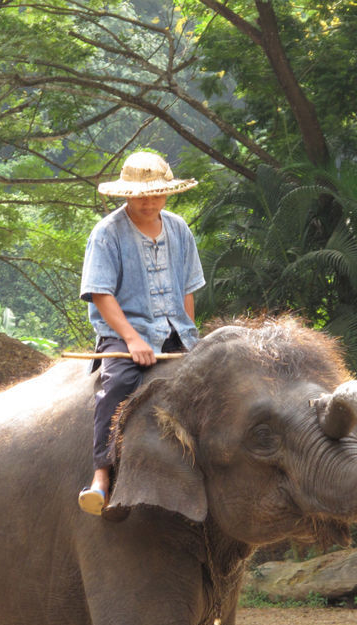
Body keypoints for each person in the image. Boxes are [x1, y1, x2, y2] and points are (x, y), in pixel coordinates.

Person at [77, 150, 204, 515]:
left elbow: (188, 289)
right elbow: (100, 293)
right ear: (127, 194)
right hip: (124, 330)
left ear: (168, 192)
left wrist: (188, 337)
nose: (149, 200)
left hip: (175, 329)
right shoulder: (107, 233)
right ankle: (101, 474)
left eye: (156, 192)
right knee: (116, 383)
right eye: (141, 193)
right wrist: (132, 338)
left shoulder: (179, 228)